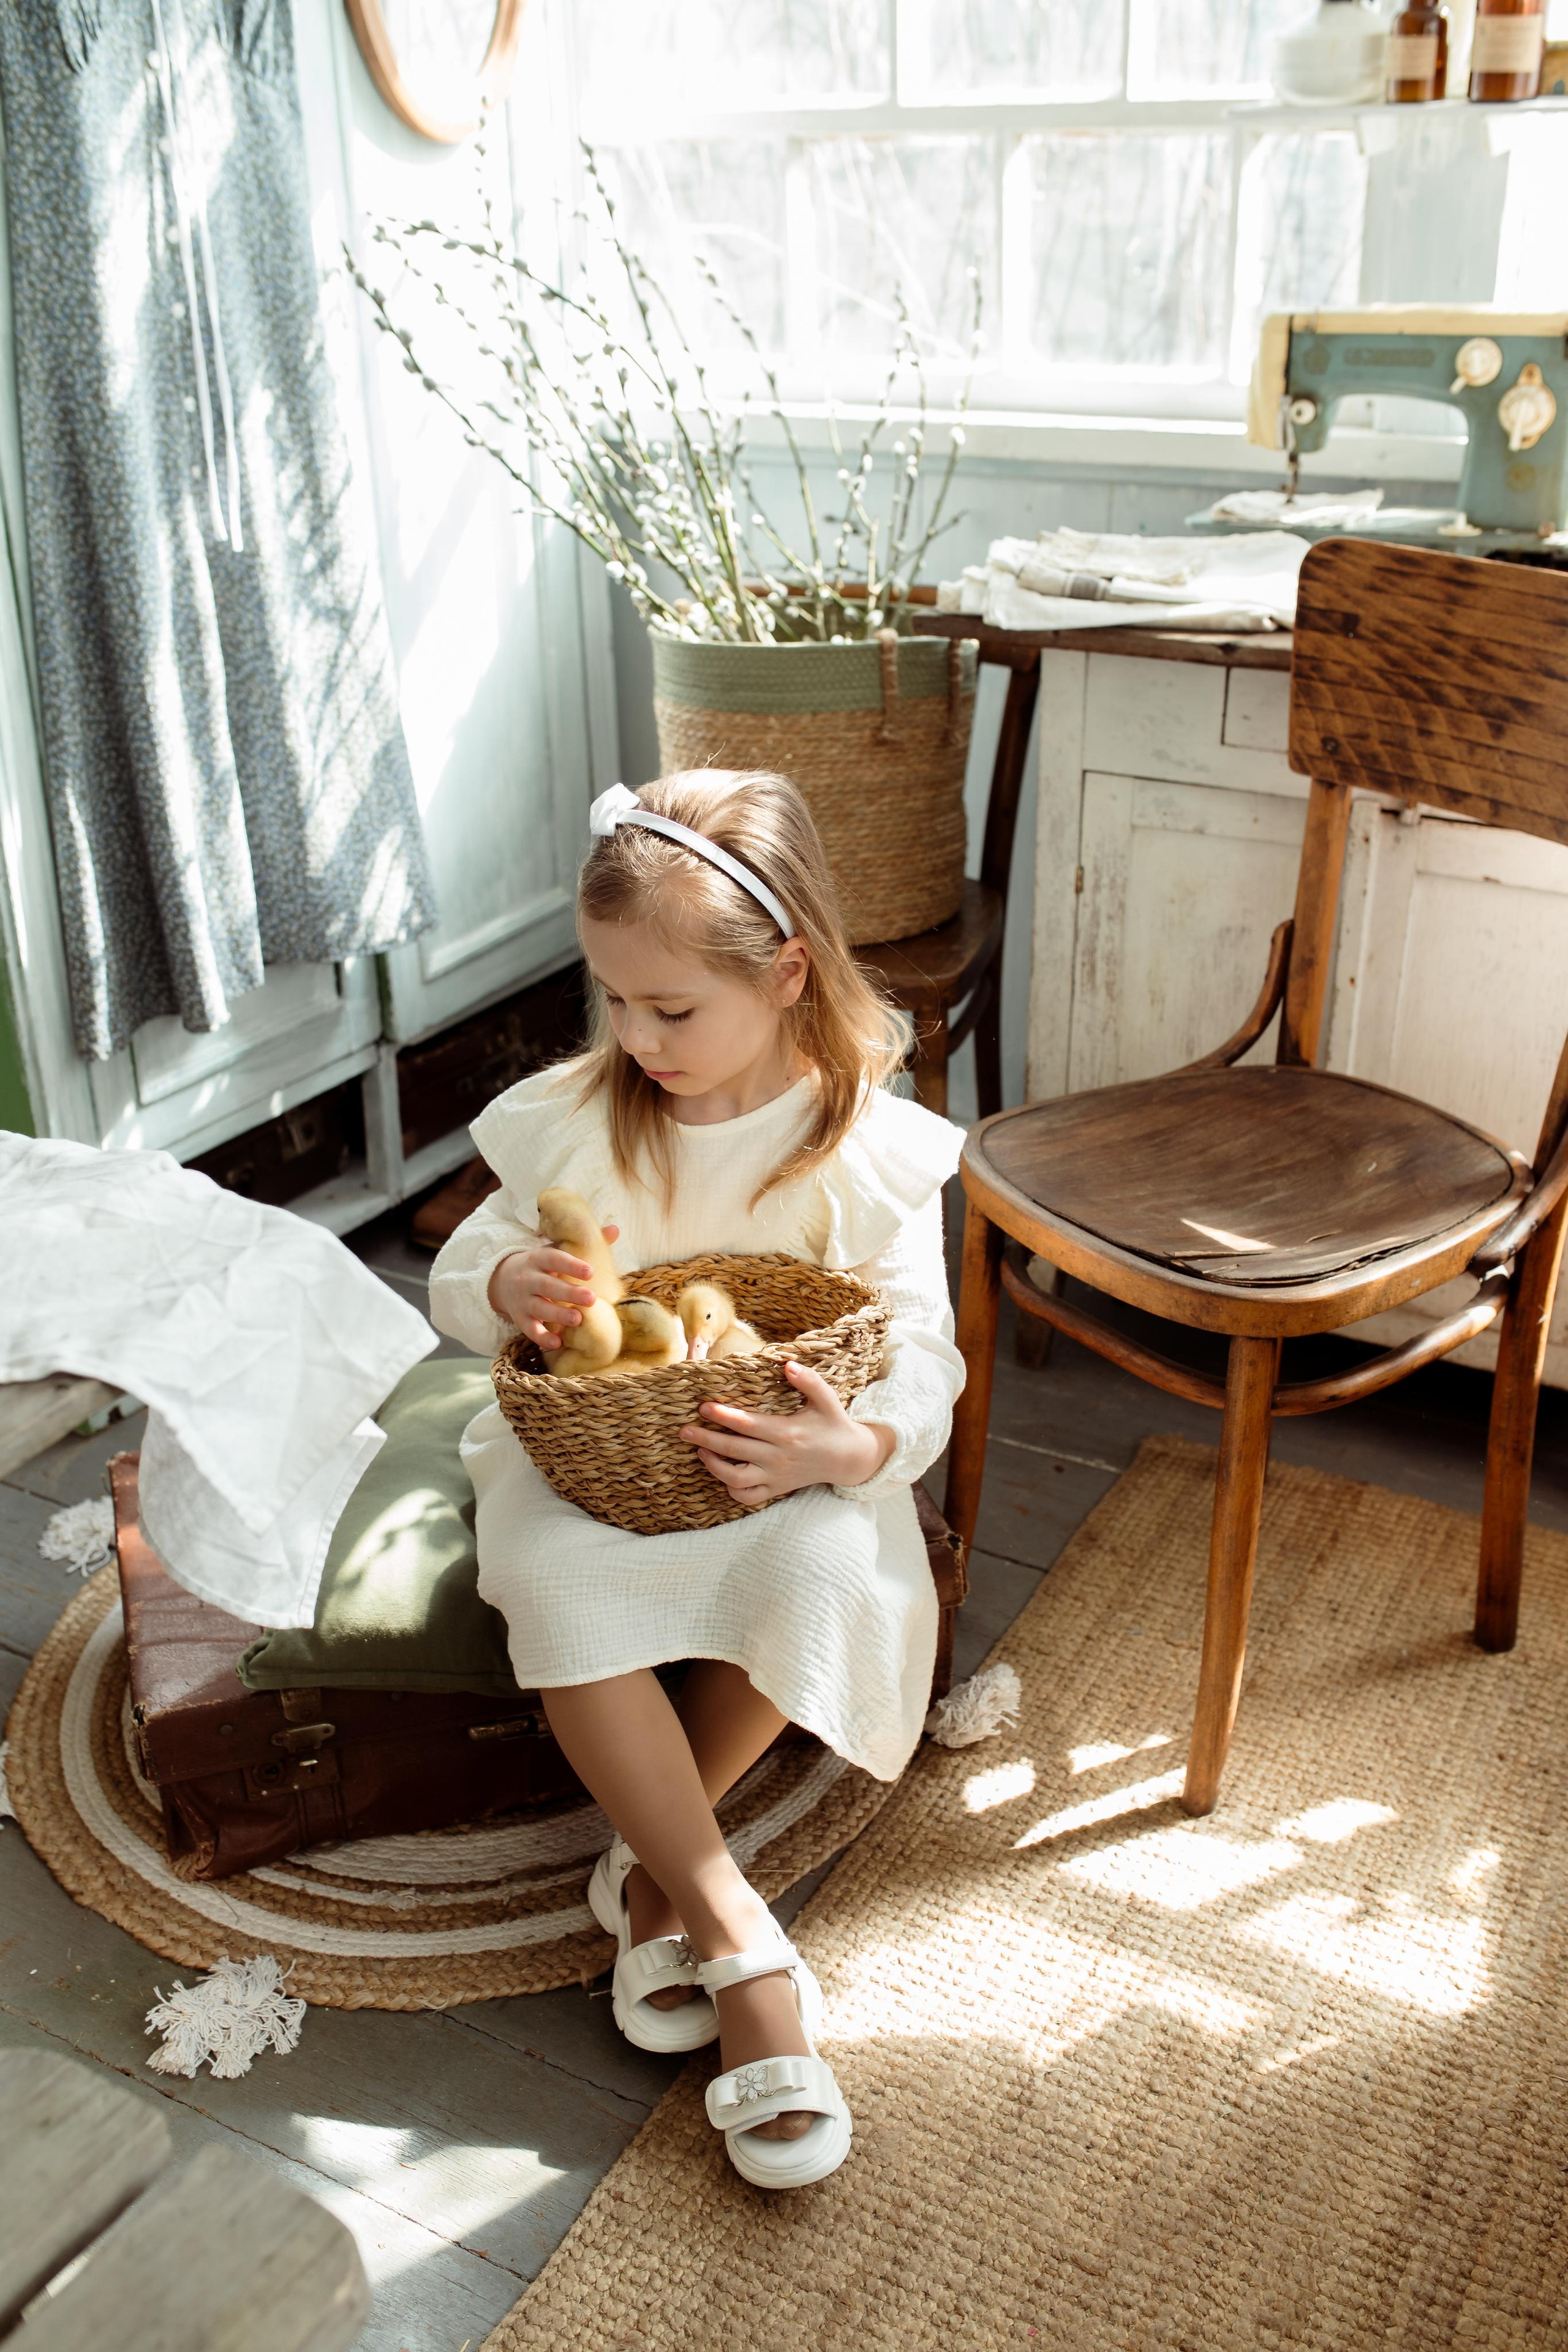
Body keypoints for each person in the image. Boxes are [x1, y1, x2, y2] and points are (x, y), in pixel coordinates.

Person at [429, 770, 965, 2190]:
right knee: (545, 1569)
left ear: (787, 971)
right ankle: (736, 1932)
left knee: (822, 1566)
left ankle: (650, 1871)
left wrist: (850, 1448)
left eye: (672, 1009)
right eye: (612, 999)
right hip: (589, 1451)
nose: (637, 1037)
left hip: (766, 1462)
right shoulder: (582, 1119)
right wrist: (502, 1281)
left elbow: (922, 1355)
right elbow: (447, 1277)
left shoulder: (854, 1147)